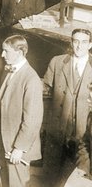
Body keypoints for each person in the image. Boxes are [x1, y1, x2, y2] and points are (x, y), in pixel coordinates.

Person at [0, 35, 43, 187]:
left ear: (20, 52)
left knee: (16, 182)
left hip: (17, 143)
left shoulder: (31, 80)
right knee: (6, 180)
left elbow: (32, 120)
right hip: (5, 137)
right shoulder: (10, 71)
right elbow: (3, 101)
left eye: (6, 51)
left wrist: (19, 148)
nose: (2, 55)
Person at [43, 28, 92, 185]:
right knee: (50, 176)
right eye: (76, 41)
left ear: (90, 45)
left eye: (84, 42)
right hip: (57, 129)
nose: (79, 46)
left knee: (73, 178)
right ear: (71, 42)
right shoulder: (57, 62)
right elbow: (45, 92)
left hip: (82, 135)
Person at [0, 0, 45, 97]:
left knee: (20, 68)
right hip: (4, 33)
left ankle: (14, 97)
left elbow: (40, 17)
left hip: (24, 38)